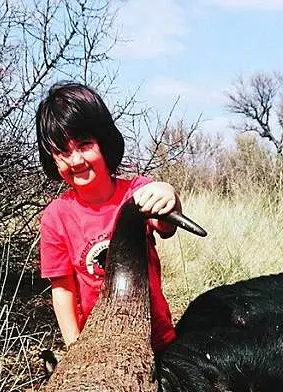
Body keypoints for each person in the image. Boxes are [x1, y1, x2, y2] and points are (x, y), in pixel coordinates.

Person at [36, 81, 180, 353]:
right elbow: (62, 289)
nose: (75, 160)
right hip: (99, 347)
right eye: (62, 151)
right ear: (52, 158)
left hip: (156, 338)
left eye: (84, 144)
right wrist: (75, 350)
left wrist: (168, 194)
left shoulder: (138, 193)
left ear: (105, 142)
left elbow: (165, 226)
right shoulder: (56, 217)